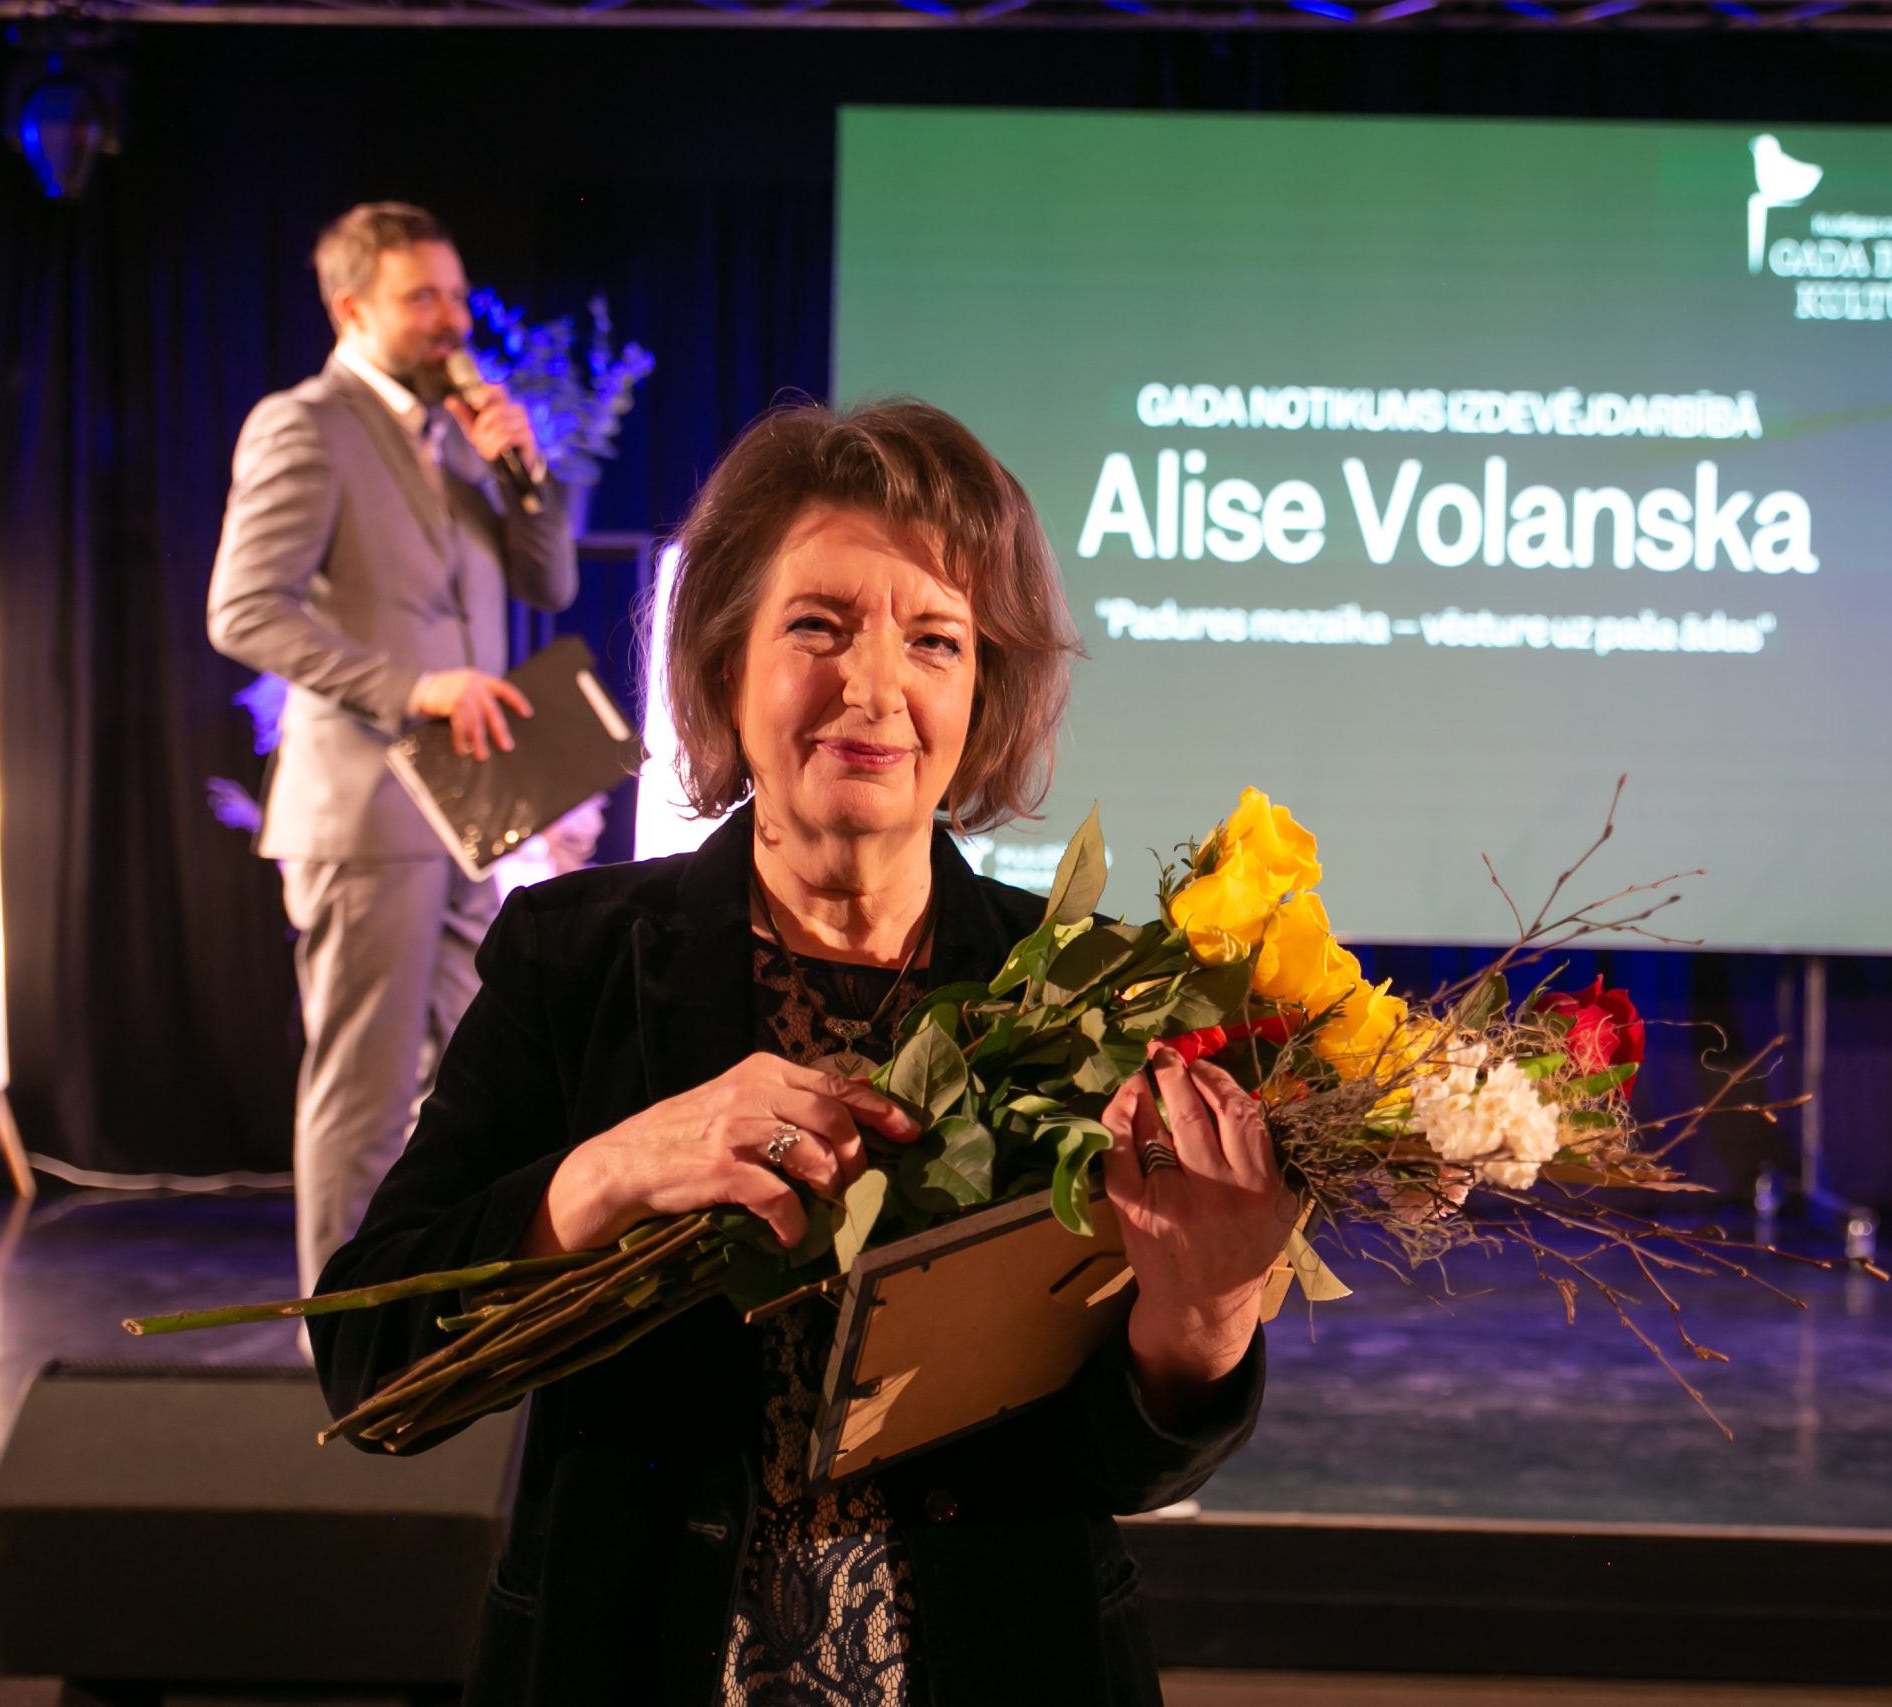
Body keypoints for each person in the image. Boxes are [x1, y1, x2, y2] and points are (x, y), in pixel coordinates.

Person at [312, 400, 1295, 1706]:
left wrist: (1201, 1321)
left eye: (935, 639)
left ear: (984, 692)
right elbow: (373, 1376)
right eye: (819, 626)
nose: (874, 687)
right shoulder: (577, 960)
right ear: (724, 659)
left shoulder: (1081, 992)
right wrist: (610, 1171)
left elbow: (1118, 1466)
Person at [206, 202, 579, 1294]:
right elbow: (242, 609)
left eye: (456, 295)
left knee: (469, 1089)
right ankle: (339, 1339)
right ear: (350, 307)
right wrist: (413, 689)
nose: (452, 319)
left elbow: (549, 582)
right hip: (367, 814)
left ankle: (432, 1316)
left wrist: (524, 469)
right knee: (363, 1099)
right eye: (423, 297)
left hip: (468, 810)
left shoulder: (455, 443)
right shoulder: (306, 424)